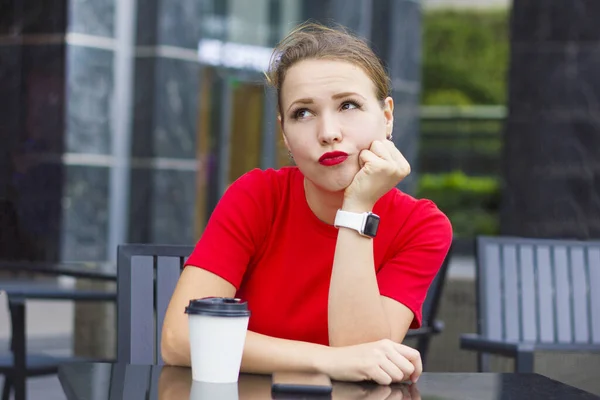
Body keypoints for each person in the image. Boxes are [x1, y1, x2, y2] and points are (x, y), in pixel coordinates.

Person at [161, 22, 452, 386]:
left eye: (348, 105)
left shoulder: (421, 225)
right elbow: (182, 338)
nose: (328, 132)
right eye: (304, 113)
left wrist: (358, 209)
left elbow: (364, 356)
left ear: (387, 117)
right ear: (284, 133)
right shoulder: (257, 196)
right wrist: (328, 360)